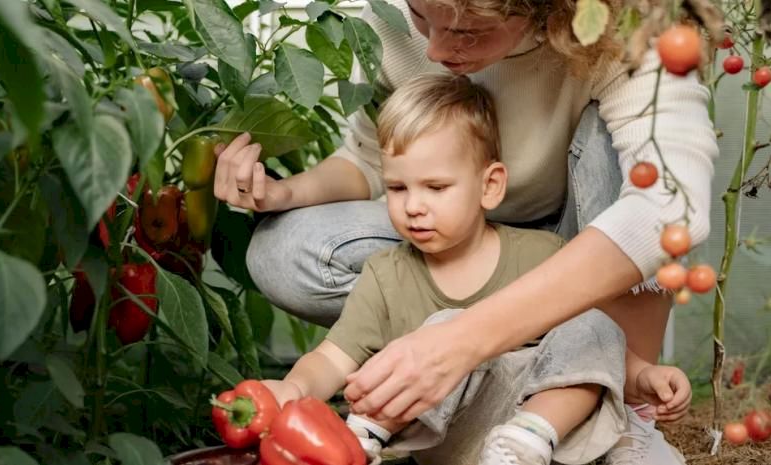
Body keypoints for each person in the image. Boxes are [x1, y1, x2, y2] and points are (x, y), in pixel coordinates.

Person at [213, 0, 716, 462]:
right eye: (420, 16)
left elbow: (670, 205)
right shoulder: (394, 25)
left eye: (468, 30)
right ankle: (448, 394)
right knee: (281, 249)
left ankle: (620, 412)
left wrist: (460, 340)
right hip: (456, 237)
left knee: (631, 159)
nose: (434, 49)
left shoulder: (629, 30)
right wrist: (284, 192)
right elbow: (370, 158)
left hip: (576, 238)